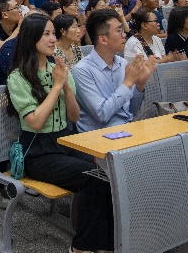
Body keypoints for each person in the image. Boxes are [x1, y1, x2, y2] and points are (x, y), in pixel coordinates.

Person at [7, 13, 115, 253]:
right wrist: (57, 86)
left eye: (53, 33)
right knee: (91, 178)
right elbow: (35, 122)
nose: (52, 39)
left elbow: (74, 116)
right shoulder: (18, 77)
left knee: (108, 169)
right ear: (31, 38)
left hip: (64, 141)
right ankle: (80, 247)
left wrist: (66, 86)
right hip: (37, 151)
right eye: (46, 34)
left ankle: (108, 242)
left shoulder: (58, 69)